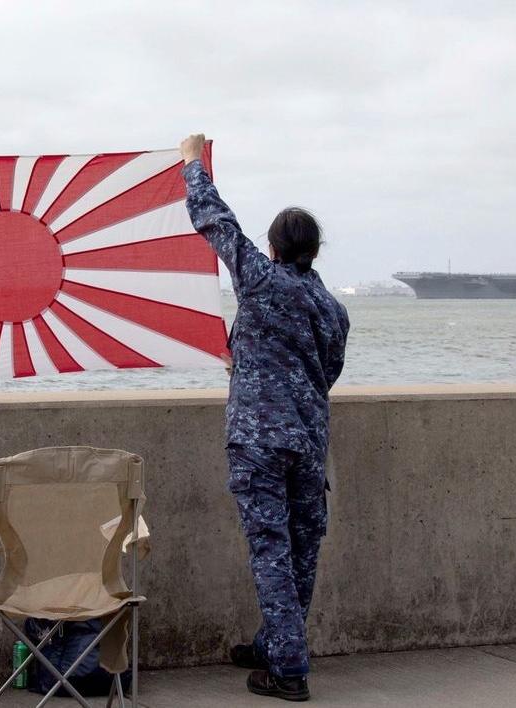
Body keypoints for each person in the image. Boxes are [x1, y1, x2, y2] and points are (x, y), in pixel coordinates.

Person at [179, 134, 349, 702]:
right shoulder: (332, 308)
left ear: (274, 248)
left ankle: (289, 672)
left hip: (258, 440)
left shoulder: (261, 278)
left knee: (271, 548)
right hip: (307, 441)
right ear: (315, 253)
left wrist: (192, 164)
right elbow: (327, 373)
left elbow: (215, 222)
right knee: (301, 549)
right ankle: (278, 642)